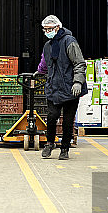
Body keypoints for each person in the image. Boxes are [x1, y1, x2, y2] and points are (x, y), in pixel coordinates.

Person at [35, 15, 88, 160]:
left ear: (57, 27)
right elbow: (45, 63)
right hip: (54, 87)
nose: (47, 32)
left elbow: (79, 63)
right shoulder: (48, 45)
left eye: (49, 29)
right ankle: (49, 143)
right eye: (45, 30)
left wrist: (78, 82)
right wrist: (39, 71)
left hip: (70, 88)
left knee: (68, 121)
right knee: (52, 117)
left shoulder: (69, 42)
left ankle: (65, 148)